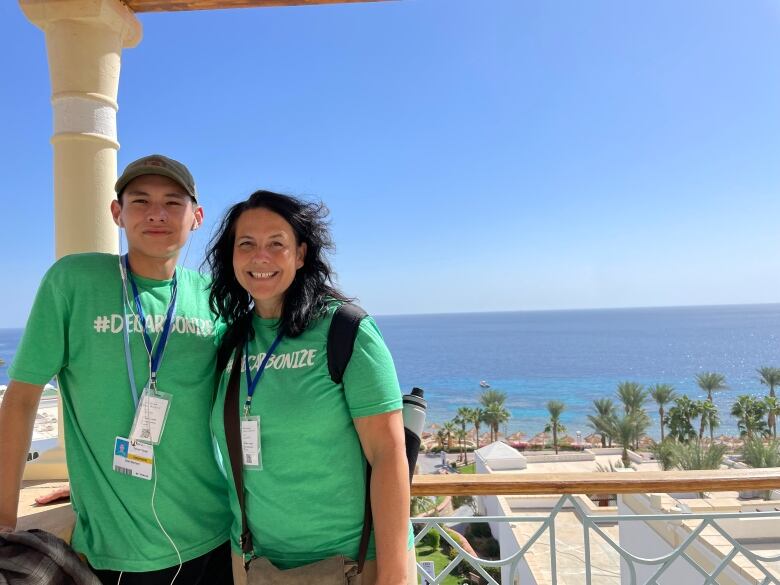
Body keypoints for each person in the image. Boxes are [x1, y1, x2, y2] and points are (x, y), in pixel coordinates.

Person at [0, 155, 233, 584]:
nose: (157, 214)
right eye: (140, 201)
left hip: (216, 531)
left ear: (196, 217)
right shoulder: (73, 281)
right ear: (117, 213)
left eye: (173, 203)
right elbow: (21, 400)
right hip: (123, 549)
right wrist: (3, 522)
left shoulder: (214, 296)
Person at [205, 191, 416, 585]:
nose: (260, 257)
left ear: (300, 255)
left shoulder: (346, 331)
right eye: (246, 244)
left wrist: (394, 577)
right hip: (255, 563)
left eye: (276, 244)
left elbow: (388, 455)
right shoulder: (231, 342)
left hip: (351, 564)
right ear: (231, 256)